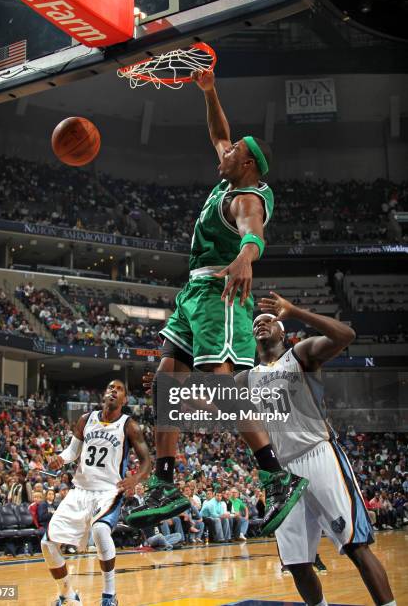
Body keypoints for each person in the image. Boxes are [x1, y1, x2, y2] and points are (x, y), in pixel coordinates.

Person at [129, 69, 306, 534]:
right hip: (193, 293)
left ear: (248, 165)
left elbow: (253, 234)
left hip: (220, 292)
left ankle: (275, 475)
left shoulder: (246, 196)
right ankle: (166, 483)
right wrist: (209, 90)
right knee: (165, 383)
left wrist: (247, 258)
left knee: (223, 390)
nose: (225, 152)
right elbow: (219, 132)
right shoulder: (229, 178)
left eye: (235, 153)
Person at [235, 291, 396, 606]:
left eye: (268, 320)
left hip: (319, 454)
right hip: (282, 472)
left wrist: (295, 310)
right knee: (296, 562)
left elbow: (346, 335)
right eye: (256, 324)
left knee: (355, 544)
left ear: (283, 330)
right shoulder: (246, 378)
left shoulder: (299, 354)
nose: (260, 325)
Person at [42, 380, 151, 606]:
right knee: (47, 544)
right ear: (104, 394)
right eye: (110, 387)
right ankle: (68, 595)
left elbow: (147, 463)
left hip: (108, 491)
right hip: (80, 490)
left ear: (125, 400)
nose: (113, 390)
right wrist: (60, 459)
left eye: (119, 389)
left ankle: (109, 596)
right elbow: (73, 450)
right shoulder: (86, 419)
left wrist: (135, 478)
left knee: (100, 530)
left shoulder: (129, 425)